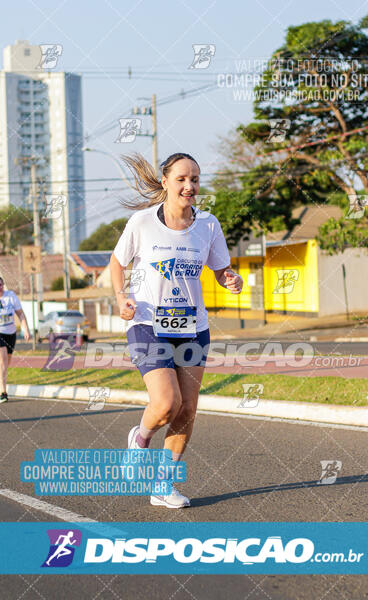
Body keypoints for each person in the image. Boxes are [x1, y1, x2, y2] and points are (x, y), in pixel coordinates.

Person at [110, 152, 243, 509]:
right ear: (166, 181)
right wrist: (122, 298)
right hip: (148, 323)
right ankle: (140, 438)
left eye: (195, 179)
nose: (190, 186)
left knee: (187, 410)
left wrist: (230, 278)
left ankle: (163, 485)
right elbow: (117, 262)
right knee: (167, 403)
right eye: (182, 178)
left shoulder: (209, 224)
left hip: (192, 327)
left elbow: (220, 269)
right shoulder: (141, 223)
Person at [0, 277, 31, 403]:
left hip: (11, 333)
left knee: (6, 364)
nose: (0, 287)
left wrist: (26, 329)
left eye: (1, 284)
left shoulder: (11, 296)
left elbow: (20, 314)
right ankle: (3, 393)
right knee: (3, 360)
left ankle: (1, 383)